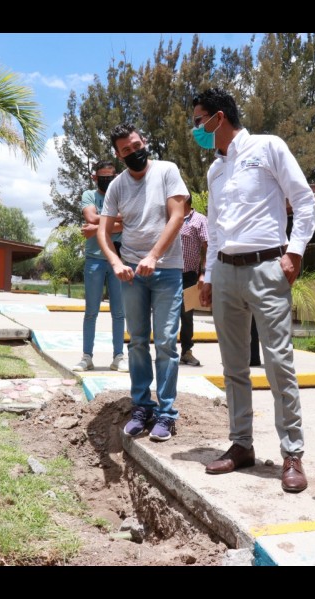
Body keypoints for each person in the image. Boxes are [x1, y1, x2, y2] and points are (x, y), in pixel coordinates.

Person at [194, 87, 315, 493]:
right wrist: (209, 275)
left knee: (278, 363)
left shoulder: (268, 147)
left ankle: (292, 454)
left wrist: (295, 252)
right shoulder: (214, 170)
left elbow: (304, 200)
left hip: (267, 267)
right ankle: (241, 444)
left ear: (219, 118)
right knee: (233, 367)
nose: (197, 130)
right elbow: (215, 228)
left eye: (199, 122)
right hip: (226, 272)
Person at [97, 122, 190, 442]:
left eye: (137, 146)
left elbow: (177, 215)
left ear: (144, 141)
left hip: (167, 270)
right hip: (132, 274)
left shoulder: (167, 171)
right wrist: (116, 262)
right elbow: (103, 231)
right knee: (137, 341)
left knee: (165, 341)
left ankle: (166, 413)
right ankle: (142, 406)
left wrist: (153, 256)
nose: (134, 152)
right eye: (126, 150)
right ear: (118, 155)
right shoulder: (117, 186)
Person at [72, 160, 128, 373]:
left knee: (119, 313)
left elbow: (127, 222)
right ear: (94, 177)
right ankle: (87, 357)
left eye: (110, 177)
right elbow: (90, 216)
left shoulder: (122, 196)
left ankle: (118, 356)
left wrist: (95, 228)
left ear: (116, 177)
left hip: (118, 260)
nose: (106, 180)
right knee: (91, 312)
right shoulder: (89, 195)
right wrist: (115, 220)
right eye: (102, 177)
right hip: (94, 259)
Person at [178, 195, 209, 367]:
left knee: (187, 315)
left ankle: (186, 351)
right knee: (167, 314)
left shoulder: (199, 220)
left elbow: (207, 247)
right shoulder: (170, 217)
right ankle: (166, 352)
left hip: (189, 275)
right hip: (169, 273)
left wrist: (203, 273)